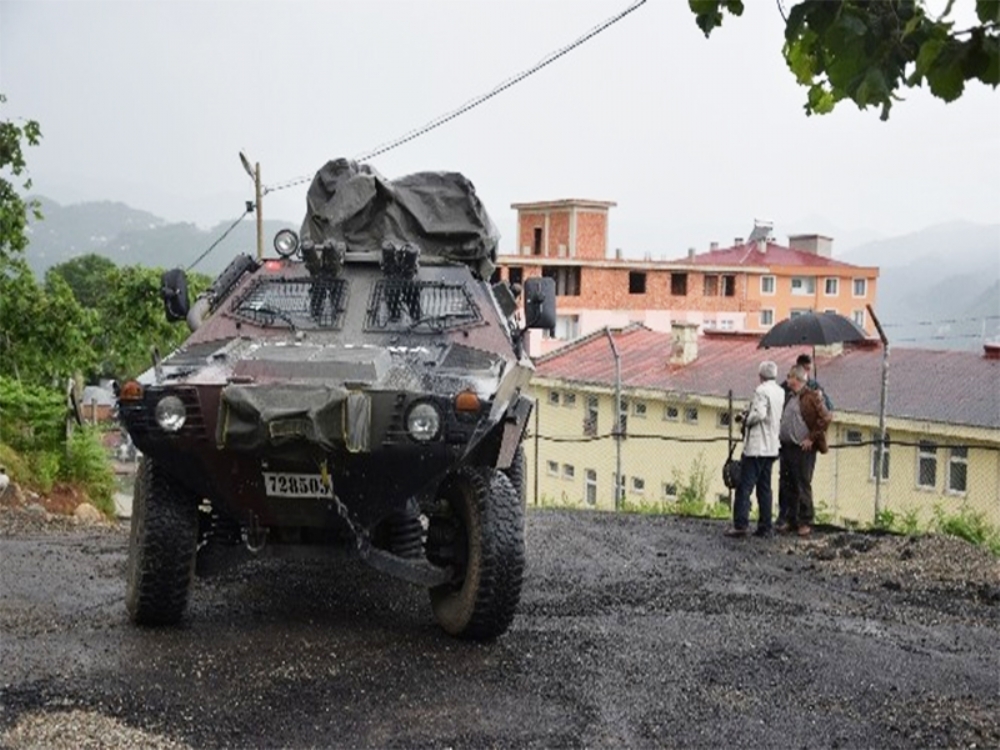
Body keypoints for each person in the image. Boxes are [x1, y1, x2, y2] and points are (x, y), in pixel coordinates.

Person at [724, 361, 785, 538]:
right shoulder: (780, 392)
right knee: (765, 487)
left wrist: (745, 419)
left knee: (744, 486)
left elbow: (760, 414)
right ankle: (766, 525)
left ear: (761, 375)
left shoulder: (761, 391)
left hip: (757, 447)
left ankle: (741, 524)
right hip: (772, 447)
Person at [778, 365, 831, 537]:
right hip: (787, 447)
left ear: (797, 378)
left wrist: (812, 438)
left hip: (802, 449)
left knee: (802, 484)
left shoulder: (811, 396)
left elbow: (826, 417)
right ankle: (791, 519)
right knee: (788, 484)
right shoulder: (789, 396)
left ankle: (805, 520)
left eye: (789, 376)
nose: (787, 379)